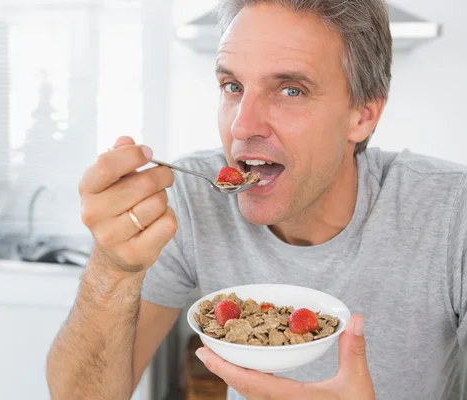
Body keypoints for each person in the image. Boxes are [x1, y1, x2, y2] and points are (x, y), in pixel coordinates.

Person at [46, 0, 467, 399]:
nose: (242, 126)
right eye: (232, 85)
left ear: (363, 114)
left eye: (291, 90)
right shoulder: (188, 199)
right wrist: (111, 267)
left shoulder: (452, 212)